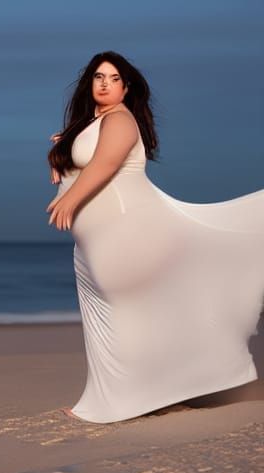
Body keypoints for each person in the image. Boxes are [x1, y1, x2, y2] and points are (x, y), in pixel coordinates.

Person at [45, 51, 263, 423]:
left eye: (114, 78)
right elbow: (84, 156)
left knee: (130, 318)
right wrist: (60, 152)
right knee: (122, 321)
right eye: (99, 77)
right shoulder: (94, 124)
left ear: (127, 87)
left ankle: (132, 399)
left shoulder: (120, 120)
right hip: (97, 243)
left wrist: (71, 197)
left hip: (126, 233)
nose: (105, 84)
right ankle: (124, 398)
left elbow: (105, 164)